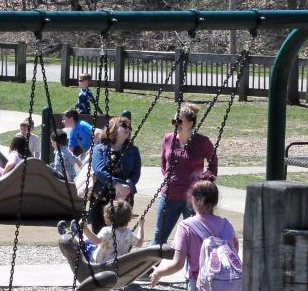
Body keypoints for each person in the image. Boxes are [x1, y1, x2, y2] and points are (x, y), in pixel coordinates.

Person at [153, 104, 219, 245]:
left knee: (195, 238)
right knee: (159, 236)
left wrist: (206, 179)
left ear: (190, 123)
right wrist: (172, 178)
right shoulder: (168, 139)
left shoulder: (202, 142)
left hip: (193, 197)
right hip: (170, 195)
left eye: (179, 121)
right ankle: (153, 267)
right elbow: (164, 164)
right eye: (174, 121)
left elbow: (213, 163)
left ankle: (194, 267)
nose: (176, 124)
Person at [88, 116, 141, 233]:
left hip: (124, 197)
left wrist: (127, 187)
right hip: (102, 197)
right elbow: (100, 170)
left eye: (129, 126)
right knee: (100, 234)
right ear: (113, 127)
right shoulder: (100, 148)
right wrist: (116, 185)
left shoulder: (133, 150)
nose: (128, 128)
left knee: (119, 233)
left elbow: (135, 173)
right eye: (124, 125)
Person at [81, 199, 145, 263]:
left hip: (101, 263)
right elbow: (139, 243)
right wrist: (141, 226)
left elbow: (96, 241)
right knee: (99, 243)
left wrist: (86, 229)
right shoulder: (129, 233)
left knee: (87, 243)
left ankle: (80, 233)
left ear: (108, 217)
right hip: (119, 263)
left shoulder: (106, 231)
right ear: (129, 219)